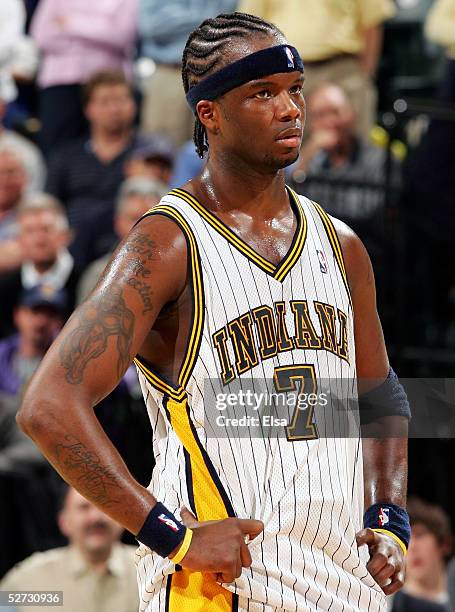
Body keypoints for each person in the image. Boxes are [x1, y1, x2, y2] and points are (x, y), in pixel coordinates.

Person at [17, 12, 411, 611]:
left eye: (295, 89)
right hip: (219, 586)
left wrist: (388, 513)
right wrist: (169, 535)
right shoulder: (167, 243)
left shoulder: (343, 245)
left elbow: (380, 393)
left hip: (342, 580)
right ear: (210, 114)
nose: (290, 109)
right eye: (264, 94)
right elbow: (48, 406)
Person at [238, 0, 396, 137]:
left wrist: (366, 74)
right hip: (286, 68)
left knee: (357, 151)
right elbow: (252, 25)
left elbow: (373, 21)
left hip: (344, 67)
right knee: (288, 150)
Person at [45, 71, 152, 269]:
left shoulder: (149, 152)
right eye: (104, 102)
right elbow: (51, 204)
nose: (114, 109)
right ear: (88, 109)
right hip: (73, 249)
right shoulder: (66, 156)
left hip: (131, 243)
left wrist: (143, 181)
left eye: (121, 100)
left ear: (133, 104)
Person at [289, 82, 401, 266]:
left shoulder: (380, 159)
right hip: (316, 256)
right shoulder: (310, 159)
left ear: (352, 115)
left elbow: (366, 212)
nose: (328, 122)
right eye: (320, 116)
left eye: (334, 112)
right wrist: (308, 153)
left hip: (368, 256)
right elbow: (286, 200)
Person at [0, 485, 139, 612]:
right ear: (64, 522)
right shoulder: (29, 579)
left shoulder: (149, 569)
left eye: (104, 506)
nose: (96, 517)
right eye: (84, 507)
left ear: (122, 517)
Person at [30, 0, 138, 155]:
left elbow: (123, 36)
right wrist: (100, 32)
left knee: (115, 147)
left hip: (109, 84)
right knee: (55, 151)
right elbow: (41, 37)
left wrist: (71, 23)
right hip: (59, 84)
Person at [138, 0, 237, 146]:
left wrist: (179, 21)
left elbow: (231, 24)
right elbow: (151, 25)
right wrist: (207, 20)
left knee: (212, 152)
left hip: (214, 74)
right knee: (160, 152)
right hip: (169, 72)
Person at [0, 193, 79, 338]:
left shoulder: (87, 281)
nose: (39, 239)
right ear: (19, 240)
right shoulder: (5, 288)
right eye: (30, 231)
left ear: (65, 236)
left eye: (46, 230)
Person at [77, 177, 167, 303]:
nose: (142, 227)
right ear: (118, 223)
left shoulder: (183, 274)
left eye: (151, 218)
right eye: (135, 218)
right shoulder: (99, 275)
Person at [0, 286, 66, 396]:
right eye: (35, 311)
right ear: (17, 315)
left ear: (61, 322)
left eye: (50, 315)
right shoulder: (3, 355)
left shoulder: (64, 367)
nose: (41, 322)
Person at [390, 498, 452, 611]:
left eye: (419, 535)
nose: (412, 547)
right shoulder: (386, 604)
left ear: (444, 544)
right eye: (405, 540)